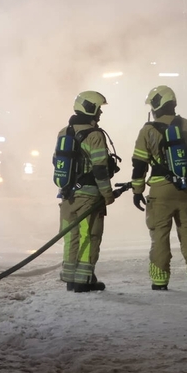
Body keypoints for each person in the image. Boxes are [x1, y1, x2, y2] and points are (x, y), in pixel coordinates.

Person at [131, 85, 187, 291]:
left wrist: (137, 191)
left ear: (156, 106)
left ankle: (159, 280)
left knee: (160, 236)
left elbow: (139, 163)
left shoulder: (148, 130)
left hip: (160, 192)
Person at [54, 91, 119, 293]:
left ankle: (71, 279)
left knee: (71, 236)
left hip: (67, 194)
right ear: (90, 108)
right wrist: (107, 194)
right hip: (89, 196)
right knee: (89, 236)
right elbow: (100, 168)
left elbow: (56, 161)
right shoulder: (95, 135)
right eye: (98, 109)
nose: (100, 113)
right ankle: (84, 280)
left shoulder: (64, 132)